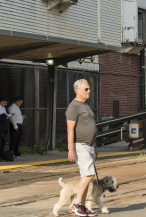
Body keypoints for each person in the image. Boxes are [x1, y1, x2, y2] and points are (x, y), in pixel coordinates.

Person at [66, 79, 98, 217]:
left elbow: (90, 125)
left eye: (89, 89)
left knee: (86, 176)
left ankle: (82, 207)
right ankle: (76, 204)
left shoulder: (86, 105)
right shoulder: (73, 107)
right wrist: (71, 149)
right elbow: (70, 129)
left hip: (89, 146)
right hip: (80, 145)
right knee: (90, 175)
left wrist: (95, 144)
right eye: (86, 89)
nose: (89, 91)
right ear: (77, 90)